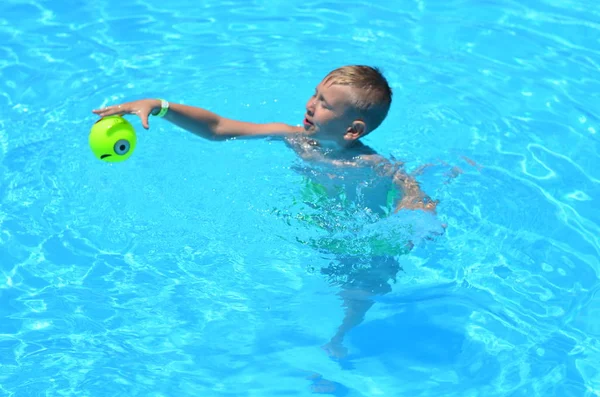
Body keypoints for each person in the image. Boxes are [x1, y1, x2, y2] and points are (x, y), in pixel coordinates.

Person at [93, 65, 439, 358]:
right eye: (315, 94)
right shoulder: (296, 139)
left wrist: (415, 214)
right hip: (322, 228)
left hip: (362, 242)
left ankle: (338, 341)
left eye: (324, 104)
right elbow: (218, 129)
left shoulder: (371, 164)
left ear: (353, 129)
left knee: (363, 289)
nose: (310, 105)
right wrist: (159, 105)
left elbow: (412, 193)